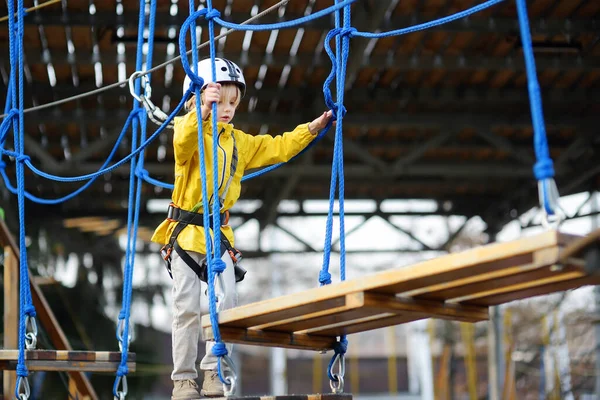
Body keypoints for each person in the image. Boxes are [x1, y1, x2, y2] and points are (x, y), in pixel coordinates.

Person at [151, 57, 333, 399]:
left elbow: (277, 147)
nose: (228, 109)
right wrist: (204, 108)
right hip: (185, 235)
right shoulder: (188, 130)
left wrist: (310, 129)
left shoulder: (239, 143)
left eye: (233, 103)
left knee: (228, 300)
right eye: (221, 101)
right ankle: (184, 379)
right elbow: (183, 143)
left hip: (217, 237)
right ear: (199, 98)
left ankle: (214, 369)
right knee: (186, 307)